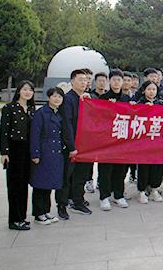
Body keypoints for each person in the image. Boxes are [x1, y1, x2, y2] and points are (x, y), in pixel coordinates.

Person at [30, 87, 77, 225]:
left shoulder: (58, 114)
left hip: (56, 154)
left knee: (49, 183)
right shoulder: (41, 113)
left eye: (60, 97)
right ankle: (38, 214)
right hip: (44, 152)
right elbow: (35, 135)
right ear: (48, 97)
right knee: (40, 184)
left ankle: (46, 211)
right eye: (54, 96)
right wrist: (35, 154)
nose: (57, 99)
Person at [0, 80, 36, 230]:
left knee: (23, 185)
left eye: (30, 90)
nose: (28, 92)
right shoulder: (9, 108)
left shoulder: (32, 109)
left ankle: (22, 217)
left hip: (27, 150)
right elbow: (4, 131)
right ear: (19, 91)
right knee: (15, 186)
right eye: (25, 89)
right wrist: (4, 152)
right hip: (14, 150)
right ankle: (14, 220)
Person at [97, 69, 131, 211]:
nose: (116, 82)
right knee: (105, 169)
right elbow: (98, 117)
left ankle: (118, 195)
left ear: (122, 82)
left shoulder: (127, 99)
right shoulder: (103, 98)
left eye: (119, 80)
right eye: (114, 79)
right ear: (109, 81)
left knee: (120, 169)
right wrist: (108, 107)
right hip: (106, 140)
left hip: (122, 140)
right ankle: (104, 197)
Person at [60, 69, 92, 217]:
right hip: (72, 145)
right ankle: (63, 205)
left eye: (86, 80)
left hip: (85, 145)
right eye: (80, 80)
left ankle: (77, 200)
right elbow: (66, 124)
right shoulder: (68, 99)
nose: (84, 82)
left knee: (81, 175)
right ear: (72, 81)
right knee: (67, 176)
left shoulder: (86, 98)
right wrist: (71, 147)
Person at [132, 81, 163, 203]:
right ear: (144, 90)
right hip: (144, 142)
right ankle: (141, 191)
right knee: (143, 166)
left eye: (154, 89)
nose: (152, 92)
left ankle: (154, 189)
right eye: (149, 89)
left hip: (158, 141)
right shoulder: (138, 103)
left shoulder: (161, 104)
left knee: (157, 166)